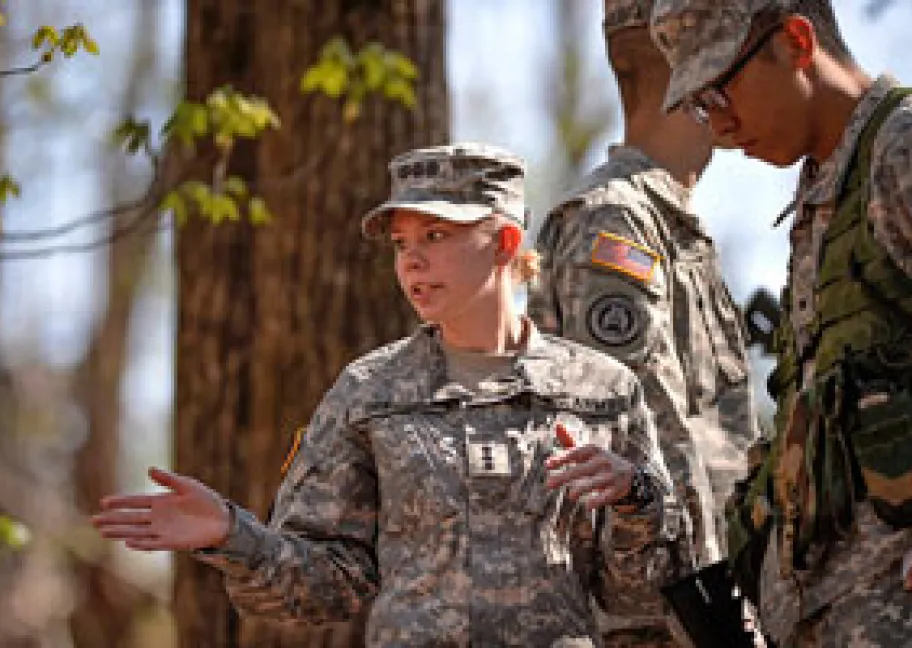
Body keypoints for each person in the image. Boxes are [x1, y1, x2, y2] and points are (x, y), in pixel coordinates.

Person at [93, 143, 684, 647]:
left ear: (505, 241)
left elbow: (640, 593)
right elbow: (326, 587)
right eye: (401, 243)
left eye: (435, 234)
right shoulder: (370, 392)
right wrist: (234, 534)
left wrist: (636, 499)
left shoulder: (602, 391)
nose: (413, 261)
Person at [649, 0, 912, 645]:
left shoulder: (899, 150)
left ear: (797, 41)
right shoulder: (822, 189)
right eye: (701, 106)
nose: (721, 126)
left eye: (723, 88)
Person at [528, 1, 760, 644]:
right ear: (694, 73)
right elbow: (649, 428)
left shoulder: (670, 222)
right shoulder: (615, 220)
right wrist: (717, 617)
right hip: (665, 614)